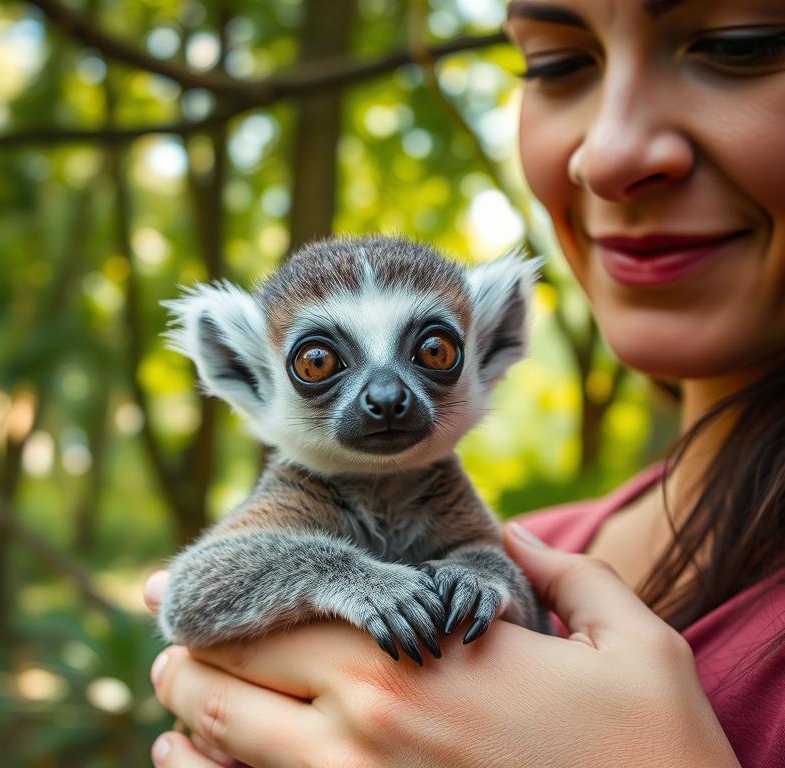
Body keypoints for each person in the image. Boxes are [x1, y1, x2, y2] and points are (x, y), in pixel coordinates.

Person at [143, 0, 785, 764]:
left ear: (495, 347)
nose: (383, 396)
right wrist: (347, 579)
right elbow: (190, 601)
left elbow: (498, 586)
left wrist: (486, 578)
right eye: (322, 365)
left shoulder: (506, 546)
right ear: (247, 375)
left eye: (432, 352)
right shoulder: (549, 543)